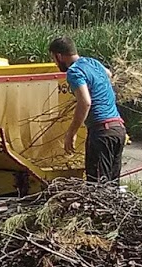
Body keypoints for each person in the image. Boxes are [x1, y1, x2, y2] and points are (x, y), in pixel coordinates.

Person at [49, 36, 125, 183]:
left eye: (53, 58)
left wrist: (71, 133)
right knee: (111, 186)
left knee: (96, 186)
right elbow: (109, 74)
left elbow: (85, 102)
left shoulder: (74, 71)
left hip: (102, 133)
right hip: (118, 129)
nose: (55, 62)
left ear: (59, 56)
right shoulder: (92, 62)